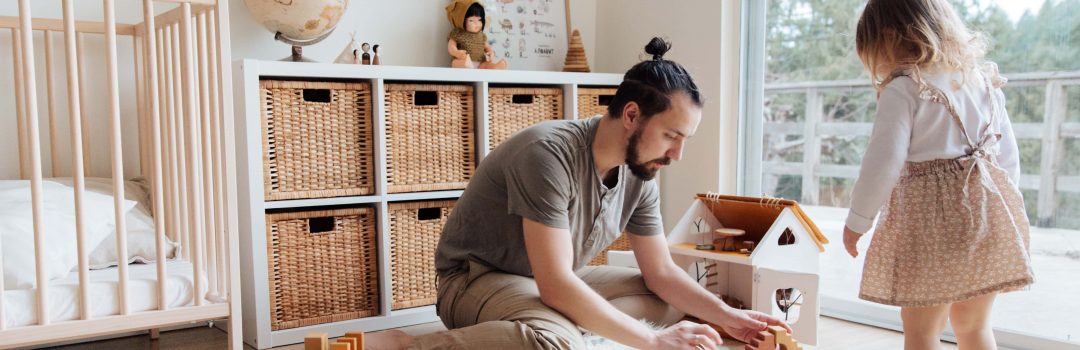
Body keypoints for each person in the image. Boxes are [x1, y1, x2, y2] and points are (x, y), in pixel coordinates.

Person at [366, 37, 790, 350]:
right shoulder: (546, 154)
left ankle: (562, 327)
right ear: (631, 115)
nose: (677, 154)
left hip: (549, 279)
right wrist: (653, 343)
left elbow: (661, 272)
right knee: (557, 346)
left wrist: (731, 318)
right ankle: (407, 345)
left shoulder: (640, 172)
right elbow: (555, 284)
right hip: (476, 278)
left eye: (685, 140)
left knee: (666, 304)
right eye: (671, 136)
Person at [842, 1, 1035, 349]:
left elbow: (882, 161)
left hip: (932, 229)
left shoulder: (904, 87)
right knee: (974, 325)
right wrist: (1008, 207)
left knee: (922, 331)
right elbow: (1007, 157)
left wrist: (858, 220)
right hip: (987, 218)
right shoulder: (980, 80)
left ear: (888, 38)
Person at [445, 0, 507, 69]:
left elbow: (487, 47)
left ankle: (495, 68)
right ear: (461, 20)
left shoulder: (482, 36)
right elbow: (451, 47)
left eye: (479, 20)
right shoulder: (457, 33)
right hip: (464, 60)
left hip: (480, 63)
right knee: (455, 62)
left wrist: (490, 52)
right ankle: (467, 65)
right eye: (471, 20)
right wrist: (456, 52)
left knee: (487, 64)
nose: (476, 23)